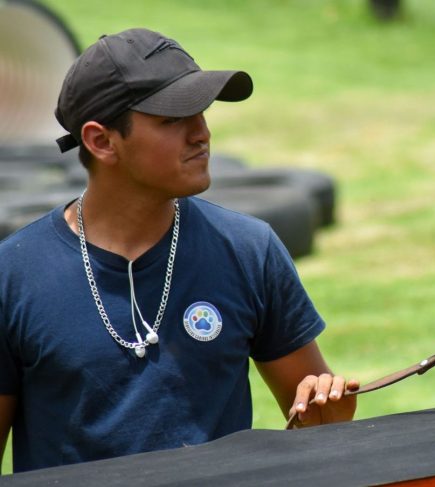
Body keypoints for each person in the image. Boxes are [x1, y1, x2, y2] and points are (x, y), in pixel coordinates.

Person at [0, 28, 356, 473]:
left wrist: (328, 425)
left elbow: (315, 431)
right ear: (101, 141)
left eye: (202, 113)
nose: (201, 134)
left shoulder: (249, 249)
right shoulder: (12, 276)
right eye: (173, 120)